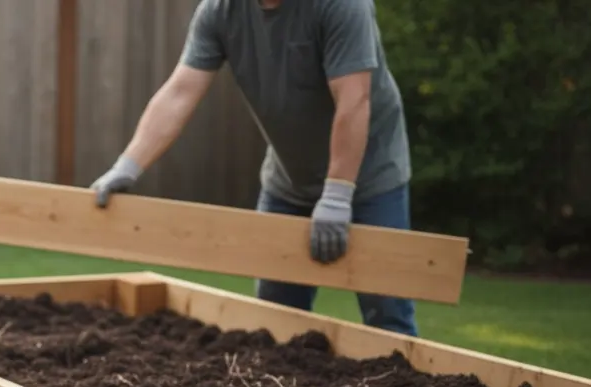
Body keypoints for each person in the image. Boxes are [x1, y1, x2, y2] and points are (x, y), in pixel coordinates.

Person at [90, 0, 417, 336]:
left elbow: (353, 99)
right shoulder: (220, 11)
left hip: (371, 180)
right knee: (274, 319)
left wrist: (337, 193)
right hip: (288, 182)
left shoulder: (341, 6)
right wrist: (127, 166)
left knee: (387, 315)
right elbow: (180, 91)